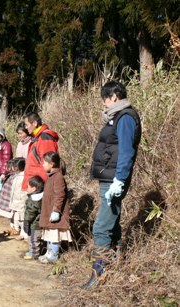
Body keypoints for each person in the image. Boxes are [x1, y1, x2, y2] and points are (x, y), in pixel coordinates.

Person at [81, 81, 141, 289]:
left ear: (114, 96)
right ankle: (114, 266)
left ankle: (99, 274)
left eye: (105, 99)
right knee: (112, 224)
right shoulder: (117, 117)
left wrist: (120, 179)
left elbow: (126, 151)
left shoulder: (125, 118)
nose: (104, 104)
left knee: (101, 226)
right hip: (108, 177)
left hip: (114, 179)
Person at [38, 152, 71, 264]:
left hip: (54, 211)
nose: (42, 164)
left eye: (44, 162)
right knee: (49, 232)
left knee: (54, 234)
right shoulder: (52, 176)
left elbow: (60, 195)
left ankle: (53, 255)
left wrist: (56, 211)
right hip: (49, 210)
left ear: (51, 164)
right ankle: (49, 253)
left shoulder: (58, 177)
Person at [22, 112, 59, 191]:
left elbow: (48, 164)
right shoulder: (37, 138)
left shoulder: (44, 138)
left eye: (27, 124)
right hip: (33, 184)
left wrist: (40, 187)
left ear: (35, 123)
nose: (26, 127)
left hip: (38, 186)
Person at [6, 158, 28, 239]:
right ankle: (16, 229)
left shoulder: (24, 177)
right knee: (16, 217)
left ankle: (24, 233)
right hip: (15, 201)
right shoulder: (16, 176)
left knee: (22, 219)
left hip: (21, 201)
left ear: (16, 167)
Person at [23, 176, 45, 260]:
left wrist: (26, 222)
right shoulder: (42, 197)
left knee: (33, 239)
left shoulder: (34, 199)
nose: (27, 187)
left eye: (28, 186)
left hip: (34, 224)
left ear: (34, 188)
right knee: (35, 239)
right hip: (39, 223)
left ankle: (34, 254)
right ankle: (34, 251)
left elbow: (30, 213)